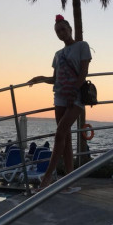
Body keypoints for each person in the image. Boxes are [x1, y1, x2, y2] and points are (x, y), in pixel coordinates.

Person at [28, 14, 92, 192]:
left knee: (59, 134)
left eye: (63, 29)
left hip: (76, 97)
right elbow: (55, 79)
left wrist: (73, 92)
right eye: (57, 31)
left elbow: (83, 72)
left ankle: (47, 179)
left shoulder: (82, 46)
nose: (61, 33)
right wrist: (40, 78)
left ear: (70, 29)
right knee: (66, 139)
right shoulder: (57, 54)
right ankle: (69, 182)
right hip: (60, 97)